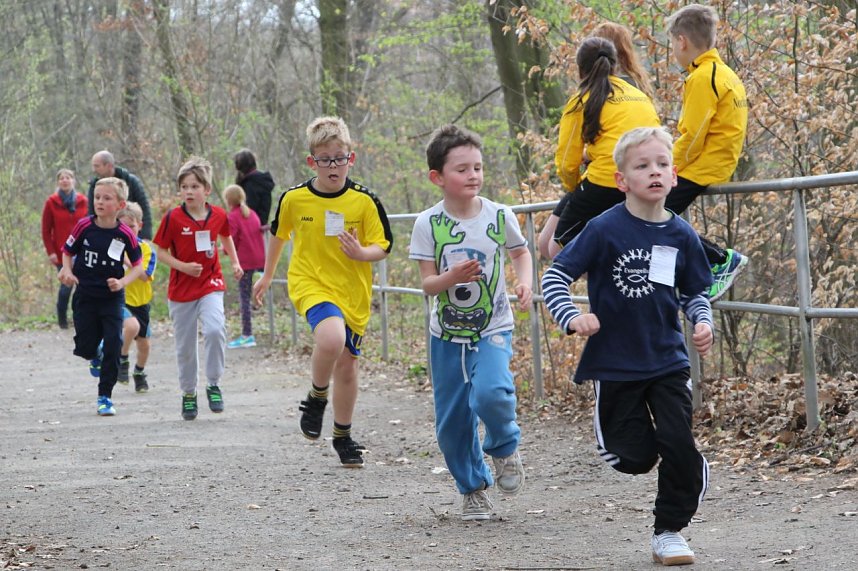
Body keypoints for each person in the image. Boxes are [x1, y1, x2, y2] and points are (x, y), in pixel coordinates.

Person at [541, 127, 714, 566]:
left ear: (674, 176)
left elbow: (696, 290)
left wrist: (702, 321)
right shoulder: (604, 229)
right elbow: (555, 277)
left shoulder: (682, 235)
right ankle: (677, 459)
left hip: (667, 359)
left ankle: (669, 530)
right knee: (634, 458)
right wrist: (572, 318)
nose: (654, 172)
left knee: (678, 441)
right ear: (622, 180)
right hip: (614, 362)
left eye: (662, 165)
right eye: (642, 166)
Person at [408, 124, 533, 521]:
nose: (473, 175)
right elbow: (428, 284)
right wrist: (452, 279)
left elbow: (520, 253)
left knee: (493, 394)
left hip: (493, 325)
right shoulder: (428, 223)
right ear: (437, 177)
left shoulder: (499, 215)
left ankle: (504, 447)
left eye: (477, 167)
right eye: (462, 169)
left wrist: (524, 282)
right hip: (445, 334)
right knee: (452, 424)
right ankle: (474, 487)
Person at [253, 116, 392, 468]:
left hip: (352, 292)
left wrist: (362, 253)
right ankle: (316, 398)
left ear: (351, 158)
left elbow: (383, 246)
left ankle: (342, 436)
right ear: (311, 161)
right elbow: (279, 236)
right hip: (309, 282)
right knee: (331, 339)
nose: (334, 165)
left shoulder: (364, 202)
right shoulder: (294, 199)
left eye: (339, 157)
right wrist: (268, 276)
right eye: (325, 159)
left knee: (346, 367)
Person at [537, 36, 660, 260]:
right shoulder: (639, 96)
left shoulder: (580, 101)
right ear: (615, 65)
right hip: (642, 179)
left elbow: (566, 164)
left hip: (607, 179)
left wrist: (575, 187)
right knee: (545, 242)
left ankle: (614, 279)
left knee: (558, 249)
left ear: (579, 70)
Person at [665, 3, 750, 300]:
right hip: (720, 160)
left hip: (704, 164)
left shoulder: (702, 78)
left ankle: (719, 260)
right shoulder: (725, 73)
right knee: (658, 214)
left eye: (673, 44)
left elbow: (692, 137)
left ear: (682, 41)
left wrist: (667, 168)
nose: (674, 51)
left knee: (651, 213)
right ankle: (686, 277)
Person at [153, 156, 244, 421]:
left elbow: (225, 235)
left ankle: (213, 384)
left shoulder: (218, 214)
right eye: (184, 187)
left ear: (207, 190)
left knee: (215, 329)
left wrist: (235, 262)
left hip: (210, 282)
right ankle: (189, 393)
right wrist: (182, 266)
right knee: (185, 346)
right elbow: (159, 251)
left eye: (194, 186)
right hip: (181, 289)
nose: (189, 191)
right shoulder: (173, 218)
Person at [59, 177, 144, 416]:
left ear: (119, 204)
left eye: (107, 198)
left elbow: (138, 267)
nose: (100, 202)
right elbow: (67, 251)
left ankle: (105, 396)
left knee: (114, 343)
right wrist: (66, 270)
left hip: (112, 297)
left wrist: (123, 282)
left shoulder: (125, 234)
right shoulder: (84, 226)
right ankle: (93, 354)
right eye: (97, 197)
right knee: (86, 348)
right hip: (85, 295)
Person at [117, 202, 157, 393]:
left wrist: (129, 259)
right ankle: (122, 358)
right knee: (131, 326)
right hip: (121, 299)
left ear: (140, 226)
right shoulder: (113, 246)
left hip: (141, 301)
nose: (128, 230)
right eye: (123, 226)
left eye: (131, 226)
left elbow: (144, 275)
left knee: (145, 345)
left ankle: (139, 373)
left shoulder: (147, 249)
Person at [41, 168, 88, 329]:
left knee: (82, 287)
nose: (65, 180)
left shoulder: (83, 201)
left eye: (68, 177)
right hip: (62, 252)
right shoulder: (51, 202)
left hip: (82, 251)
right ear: (58, 182)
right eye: (61, 178)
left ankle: (80, 318)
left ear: (73, 180)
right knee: (66, 287)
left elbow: (90, 225)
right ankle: (62, 321)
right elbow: (46, 230)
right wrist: (51, 252)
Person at [223, 184, 265, 349]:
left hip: (245, 262)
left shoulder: (233, 216)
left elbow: (230, 239)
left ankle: (247, 335)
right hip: (259, 259)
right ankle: (249, 332)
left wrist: (223, 250)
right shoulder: (252, 214)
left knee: (244, 297)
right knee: (249, 296)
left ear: (229, 200)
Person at [88, 150, 153, 239]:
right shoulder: (94, 186)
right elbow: (92, 212)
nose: (94, 170)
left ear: (109, 165)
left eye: (97, 166)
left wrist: (145, 236)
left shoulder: (131, 181)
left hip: (131, 233)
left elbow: (145, 209)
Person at [234, 148, 276, 227]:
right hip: (262, 225)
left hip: (251, 227)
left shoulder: (251, 184)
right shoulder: (261, 180)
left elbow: (249, 209)